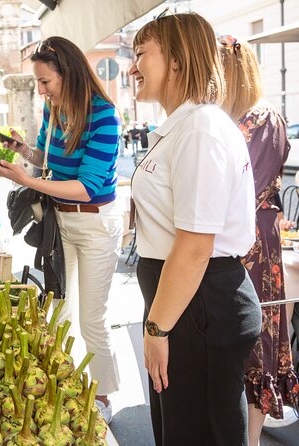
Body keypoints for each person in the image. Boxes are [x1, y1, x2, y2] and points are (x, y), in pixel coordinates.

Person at [129, 12, 262, 445]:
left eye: (141, 54)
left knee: (198, 432)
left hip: (198, 304)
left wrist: (156, 329)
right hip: (186, 302)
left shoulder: (200, 127)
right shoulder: (185, 125)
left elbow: (195, 245)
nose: (132, 68)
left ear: (179, 61)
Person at [0, 36, 123, 423]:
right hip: (61, 221)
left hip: (95, 222)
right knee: (59, 310)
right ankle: (63, 382)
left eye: (45, 81)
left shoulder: (103, 115)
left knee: (91, 319)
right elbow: (49, 161)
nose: (41, 90)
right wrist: (22, 152)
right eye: (38, 83)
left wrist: (26, 180)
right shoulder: (54, 109)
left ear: (70, 74)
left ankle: (104, 396)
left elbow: (88, 185)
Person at [219, 35, 298, 446]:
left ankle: (249, 440)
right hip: (232, 237)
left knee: (255, 342)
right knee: (236, 340)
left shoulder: (264, 118)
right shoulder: (228, 120)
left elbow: (243, 192)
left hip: (252, 239)